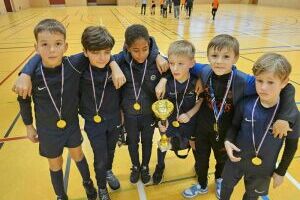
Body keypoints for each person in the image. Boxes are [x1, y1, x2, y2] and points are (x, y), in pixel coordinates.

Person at [153, 34, 296, 199]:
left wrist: (285, 116)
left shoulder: (245, 81)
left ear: (235, 58)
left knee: (222, 160)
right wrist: (164, 79)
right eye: (214, 56)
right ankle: (201, 184)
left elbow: (287, 88)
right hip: (202, 127)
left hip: (226, 130)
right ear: (208, 57)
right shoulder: (205, 70)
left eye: (226, 56)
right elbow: (177, 64)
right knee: (201, 158)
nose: (219, 61)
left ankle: (219, 180)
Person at [17, 19, 97, 200]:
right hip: (47, 130)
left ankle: (87, 182)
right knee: (55, 164)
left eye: (57, 44)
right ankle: (61, 195)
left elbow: (100, 53)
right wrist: (29, 126)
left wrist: (115, 66)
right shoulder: (32, 76)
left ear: (66, 46)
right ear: (36, 47)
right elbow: (23, 102)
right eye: (44, 45)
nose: (52, 50)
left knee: (78, 155)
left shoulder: (74, 65)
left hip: (71, 125)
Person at [221, 53, 299, 200]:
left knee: (251, 197)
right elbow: (234, 126)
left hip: (263, 169)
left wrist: (281, 172)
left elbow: (291, 146)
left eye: (270, 82)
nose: (263, 87)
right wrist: (227, 140)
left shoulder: (291, 116)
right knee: (225, 188)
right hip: (235, 160)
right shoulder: (245, 104)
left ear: (284, 83)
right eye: (259, 81)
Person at [113, 24, 168, 185]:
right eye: (135, 50)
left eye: (145, 49)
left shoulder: (157, 60)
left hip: (148, 114)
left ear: (150, 45)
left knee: (147, 141)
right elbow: (104, 58)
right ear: (127, 47)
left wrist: (164, 79)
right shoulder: (120, 61)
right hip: (129, 114)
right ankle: (135, 166)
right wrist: (113, 65)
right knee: (132, 141)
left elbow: (174, 71)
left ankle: (145, 166)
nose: (141, 54)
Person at [79, 26, 122, 200]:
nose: (102, 57)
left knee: (111, 151)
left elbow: (151, 44)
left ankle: (108, 171)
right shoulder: (79, 69)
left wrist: (113, 63)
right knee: (100, 156)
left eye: (106, 52)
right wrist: (26, 73)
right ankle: (102, 187)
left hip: (114, 120)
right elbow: (42, 58)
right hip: (93, 123)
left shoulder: (115, 64)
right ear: (85, 52)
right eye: (96, 52)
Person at [152, 40, 203, 184]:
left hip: (190, 121)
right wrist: (161, 121)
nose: (175, 68)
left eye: (181, 64)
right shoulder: (165, 83)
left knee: (194, 144)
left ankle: (199, 166)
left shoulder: (197, 82)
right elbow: (160, 105)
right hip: (169, 121)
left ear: (192, 63)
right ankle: (160, 166)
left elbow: (201, 101)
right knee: (163, 142)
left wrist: (189, 114)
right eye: (172, 63)